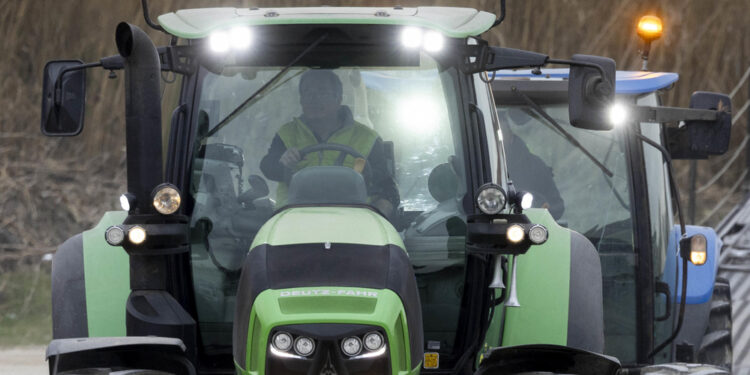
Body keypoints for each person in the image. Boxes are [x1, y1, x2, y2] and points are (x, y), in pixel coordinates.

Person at [260, 69, 399, 217]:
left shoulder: (367, 138)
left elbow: (387, 189)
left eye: (323, 93)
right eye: (308, 93)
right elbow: (268, 167)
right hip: (293, 218)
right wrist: (282, 163)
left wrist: (377, 216)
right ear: (301, 100)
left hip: (354, 221)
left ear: (339, 99)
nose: (314, 99)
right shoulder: (287, 134)